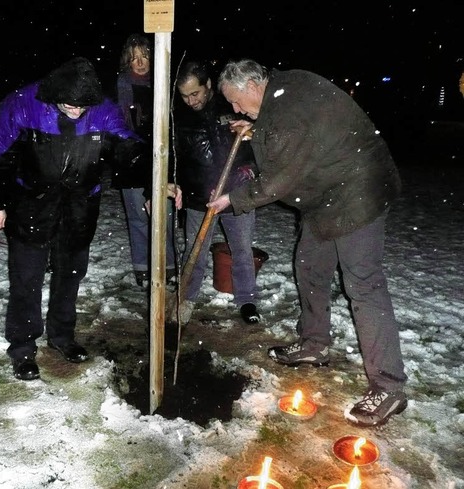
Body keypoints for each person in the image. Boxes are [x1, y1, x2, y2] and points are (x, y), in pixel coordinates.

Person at [208, 59, 407, 427]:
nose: (235, 109)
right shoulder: (282, 92)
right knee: (310, 266)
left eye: (236, 101)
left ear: (253, 85)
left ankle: (389, 386)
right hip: (327, 196)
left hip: (356, 194)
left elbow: (278, 179)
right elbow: (289, 137)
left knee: (363, 285)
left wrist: (232, 200)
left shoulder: (288, 111)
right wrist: (257, 129)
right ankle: (314, 344)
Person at [0, 57, 172, 381]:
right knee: (27, 279)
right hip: (31, 203)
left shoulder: (101, 110)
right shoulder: (23, 105)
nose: (77, 111)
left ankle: (61, 336)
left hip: (79, 206)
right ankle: (23, 349)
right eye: (71, 105)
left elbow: (130, 151)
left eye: (83, 106)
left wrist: (158, 179)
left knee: (70, 274)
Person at [172, 61, 260, 325]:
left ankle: (247, 300)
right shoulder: (180, 115)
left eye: (195, 93)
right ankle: (186, 299)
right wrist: (178, 185)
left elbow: (254, 153)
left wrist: (240, 178)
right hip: (200, 198)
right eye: (184, 96)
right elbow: (177, 158)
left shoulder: (233, 106)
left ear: (208, 85)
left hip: (237, 195)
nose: (190, 101)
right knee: (195, 250)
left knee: (242, 250)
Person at [114, 34, 177, 287]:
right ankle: (143, 268)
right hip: (130, 158)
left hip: (161, 157)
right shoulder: (120, 86)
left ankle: (169, 266)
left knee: (164, 214)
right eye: (134, 59)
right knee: (139, 216)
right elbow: (118, 126)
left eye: (144, 56)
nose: (140, 63)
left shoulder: (164, 82)